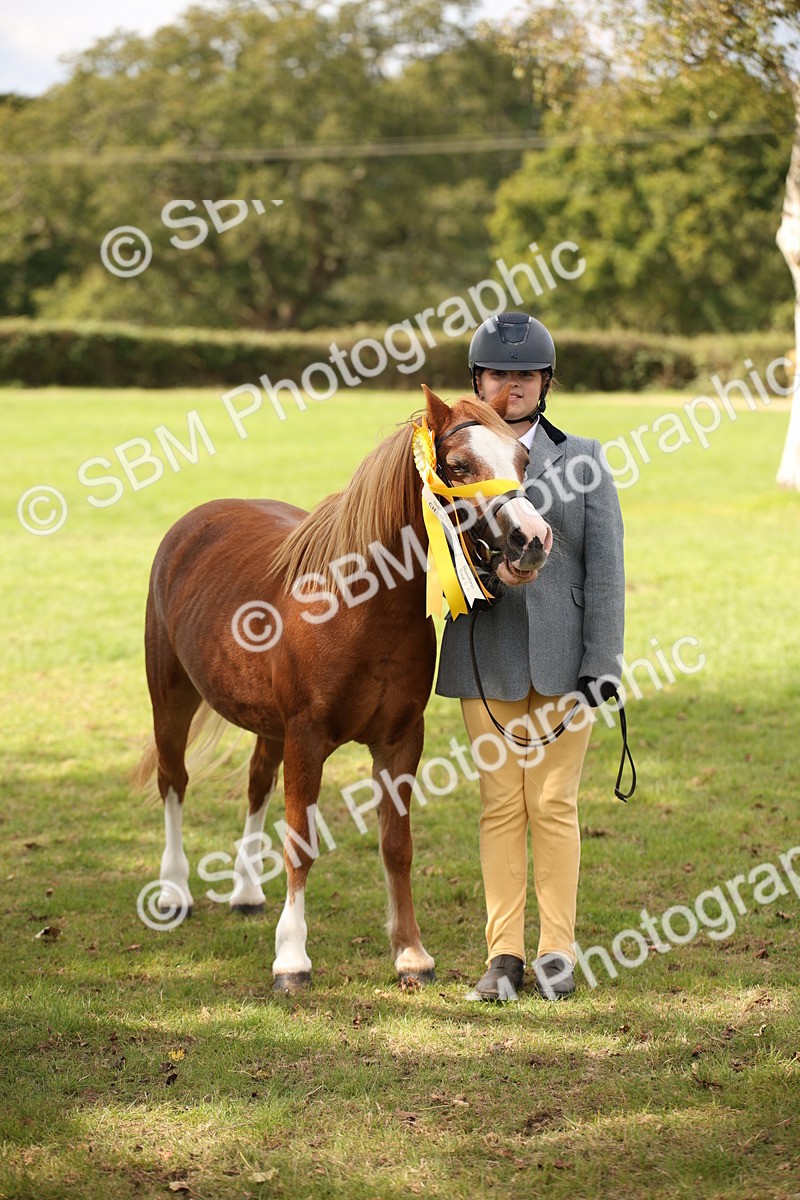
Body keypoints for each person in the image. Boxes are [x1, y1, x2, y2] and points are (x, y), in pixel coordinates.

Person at [435, 311, 625, 1001]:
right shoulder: (447, 463)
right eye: (497, 373)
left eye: (524, 374)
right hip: (484, 655)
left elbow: (604, 569)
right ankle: (503, 956)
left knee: (552, 802)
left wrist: (604, 660)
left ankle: (557, 954)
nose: (510, 385)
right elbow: (437, 558)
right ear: (478, 380)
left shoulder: (584, 459)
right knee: (498, 805)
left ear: (545, 382)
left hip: (566, 661)